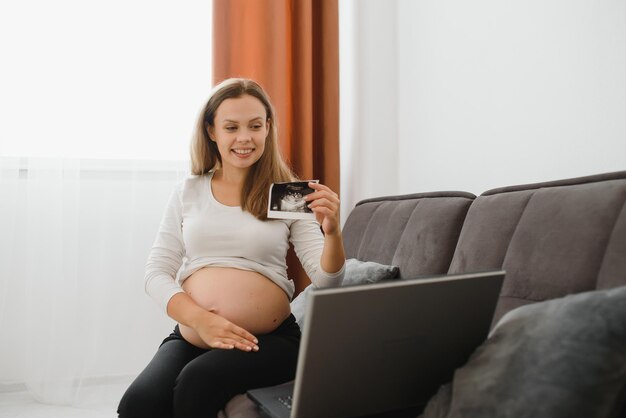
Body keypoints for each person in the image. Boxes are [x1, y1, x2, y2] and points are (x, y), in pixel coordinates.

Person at [117, 78, 345, 418]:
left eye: (255, 125)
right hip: (194, 335)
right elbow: (156, 272)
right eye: (231, 127)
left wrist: (333, 233)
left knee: (198, 381)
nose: (244, 138)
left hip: (269, 341)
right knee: (138, 403)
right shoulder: (188, 191)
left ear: (268, 128)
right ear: (212, 131)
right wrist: (201, 320)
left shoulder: (287, 194)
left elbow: (327, 282)